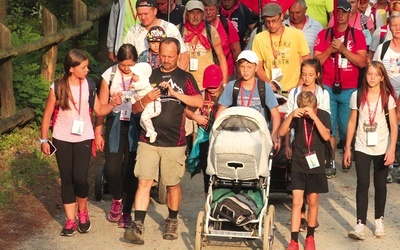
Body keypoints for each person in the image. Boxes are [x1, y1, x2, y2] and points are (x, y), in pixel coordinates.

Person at [123, 37, 203, 244]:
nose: (166, 60)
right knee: (144, 181)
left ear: (178, 55)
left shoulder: (185, 78)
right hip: (148, 140)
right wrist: (146, 99)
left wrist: (176, 93)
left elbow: (198, 101)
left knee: (172, 184)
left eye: (170, 56)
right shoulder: (150, 75)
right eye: (163, 56)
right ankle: (138, 226)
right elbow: (134, 109)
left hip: (174, 142)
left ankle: (172, 219)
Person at [40, 49, 122, 236]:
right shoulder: (57, 87)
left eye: (87, 66)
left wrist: (113, 104)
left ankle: (82, 212)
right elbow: (47, 115)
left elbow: (100, 110)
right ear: (71, 68)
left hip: (84, 137)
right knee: (67, 179)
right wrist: (44, 139)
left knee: (80, 178)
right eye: (83, 67)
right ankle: (70, 220)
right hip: (61, 137)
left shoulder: (90, 85)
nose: (87, 70)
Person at [344, 61, 397, 240]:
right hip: (361, 146)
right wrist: (347, 148)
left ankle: (378, 219)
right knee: (362, 184)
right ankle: (360, 223)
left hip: (382, 147)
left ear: (382, 77)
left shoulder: (387, 97)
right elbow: (352, 122)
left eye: (376, 74)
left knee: (380, 185)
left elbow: (394, 126)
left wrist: (392, 149)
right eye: (369, 74)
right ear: (365, 76)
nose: (372, 77)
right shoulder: (357, 95)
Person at [314, 0, 368, 171]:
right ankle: (330, 161)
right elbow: (315, 63)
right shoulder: (324, 34)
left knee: (345, 127)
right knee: (329, 126)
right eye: (338, 12)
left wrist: (344, 50)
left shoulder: (357, 35)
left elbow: (362, 62)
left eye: (344, 12)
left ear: (349, 13)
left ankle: (347, 150)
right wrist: (329, 50)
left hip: (349, 88)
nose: (341, 15)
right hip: (328, 86)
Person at [94, 44, 140, 229]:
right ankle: (117, 199)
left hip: (136, 125)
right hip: (115, 124)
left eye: (130, 65)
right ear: (117, 61)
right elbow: (100, 108)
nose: (127, 69)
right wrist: (98, 132)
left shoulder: (142, 73)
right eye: (123, 65)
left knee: (130, 170)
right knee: (112, 169)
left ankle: (127, 211)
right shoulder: (109, 75)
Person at [279, 91, 331, 250]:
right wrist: (291, 115)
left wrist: (314, 117)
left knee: (313, 201)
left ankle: (310, 236)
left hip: (315, 166)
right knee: (296, 201)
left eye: (310, 110)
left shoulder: (322, 114)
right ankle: (293, 240)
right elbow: (281, 132)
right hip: (299, 163)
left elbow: (327, 136)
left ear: (317, 106)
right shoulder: (297, 116)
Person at [285, 59, 331, 232]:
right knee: (298, 183)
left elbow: (326, 122)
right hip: (299, 142)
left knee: (312, 190)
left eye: (311, 75)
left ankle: (310, 216)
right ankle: (301, 215)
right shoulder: (294, 92)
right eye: (304, 74)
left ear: (317, 75)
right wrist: (288, 144)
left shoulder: (323, 93)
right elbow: (288, 119)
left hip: (316, 143)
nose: (307, 78)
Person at [216, 50, 281, 150]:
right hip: (236, 135)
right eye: (242, 67)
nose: (245, 71)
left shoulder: (264, 87)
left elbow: (275, 115)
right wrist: (217, 132)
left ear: (256, 68)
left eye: (249, 67)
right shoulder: (232, 86)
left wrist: (274, 134)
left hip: (258, 135)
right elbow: (220, 112)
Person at [252, 3, 311, 92]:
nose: (271, 25)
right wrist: (268, 84)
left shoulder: (297, 34)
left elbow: (307, 62)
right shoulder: (259, 38)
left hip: (294, 89)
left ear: (282, 17)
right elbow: (258, 66)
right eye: (267, 21)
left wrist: (297, 87)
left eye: (274, 20)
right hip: (271, 91)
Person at [187, 64, 223, 194]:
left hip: (222, 139)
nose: (212, 90)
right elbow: (186, 110)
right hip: (204, 139)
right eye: (210, 87)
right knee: (206, 170)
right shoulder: (200, 95)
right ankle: (208, 197)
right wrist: (195, 117)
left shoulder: (227, 95)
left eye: (215, 87)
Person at [124, 0, 189, 69]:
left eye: (146, 14)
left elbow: (184, 58)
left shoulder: (170, 28)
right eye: (139, 14)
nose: (142, 17)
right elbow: (125, 58)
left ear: (155, 11)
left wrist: (173, 77)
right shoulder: (133, 31)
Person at [181, 0, 228, 90]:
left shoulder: (210, 30)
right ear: (186, 14)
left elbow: (221, 57)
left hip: (207, 84)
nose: (195, 16)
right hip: (184, 83)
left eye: (198, 13)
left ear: (203, 15)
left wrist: (224, 83)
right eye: (192, 13)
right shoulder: (179, 30)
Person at [203, 0, 241, 80]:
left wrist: (239, 70)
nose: (208, 13)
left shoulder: (226, 24)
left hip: (226, 69)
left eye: (211, 10)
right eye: (205, 10)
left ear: (217, 10)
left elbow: (236, 50)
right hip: (204, 70)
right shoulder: (198, 26)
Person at [129, 62, 161, 143]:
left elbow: (141, 85)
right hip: (147, 106)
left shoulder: (144, 82)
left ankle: (152, 132)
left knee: (144, 117)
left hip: (154, 105)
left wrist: (134, 86)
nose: (132, 75)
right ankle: (148, 131)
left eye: (134, 74)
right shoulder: (136, 85)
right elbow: (131, 94)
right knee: (141, 121)